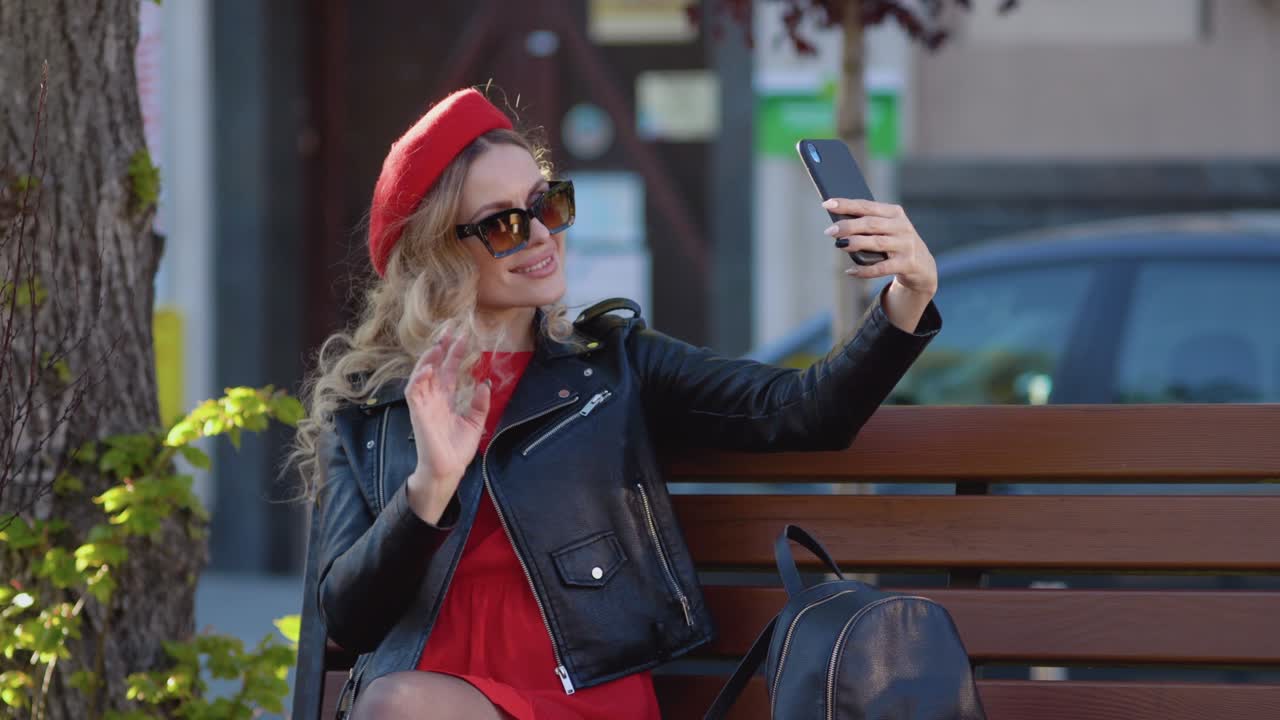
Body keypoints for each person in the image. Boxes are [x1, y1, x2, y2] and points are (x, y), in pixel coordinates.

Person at [291, 87, 941, 720]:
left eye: (545, 206)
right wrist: (428, 488)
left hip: (580, 698)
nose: (541, 236)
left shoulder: (612, 364)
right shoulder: (369, 413)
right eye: (503, 224)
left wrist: (906, 296)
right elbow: (348, 618)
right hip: (427, 697)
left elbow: (802, 410)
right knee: (403, 705)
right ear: (438, 255)